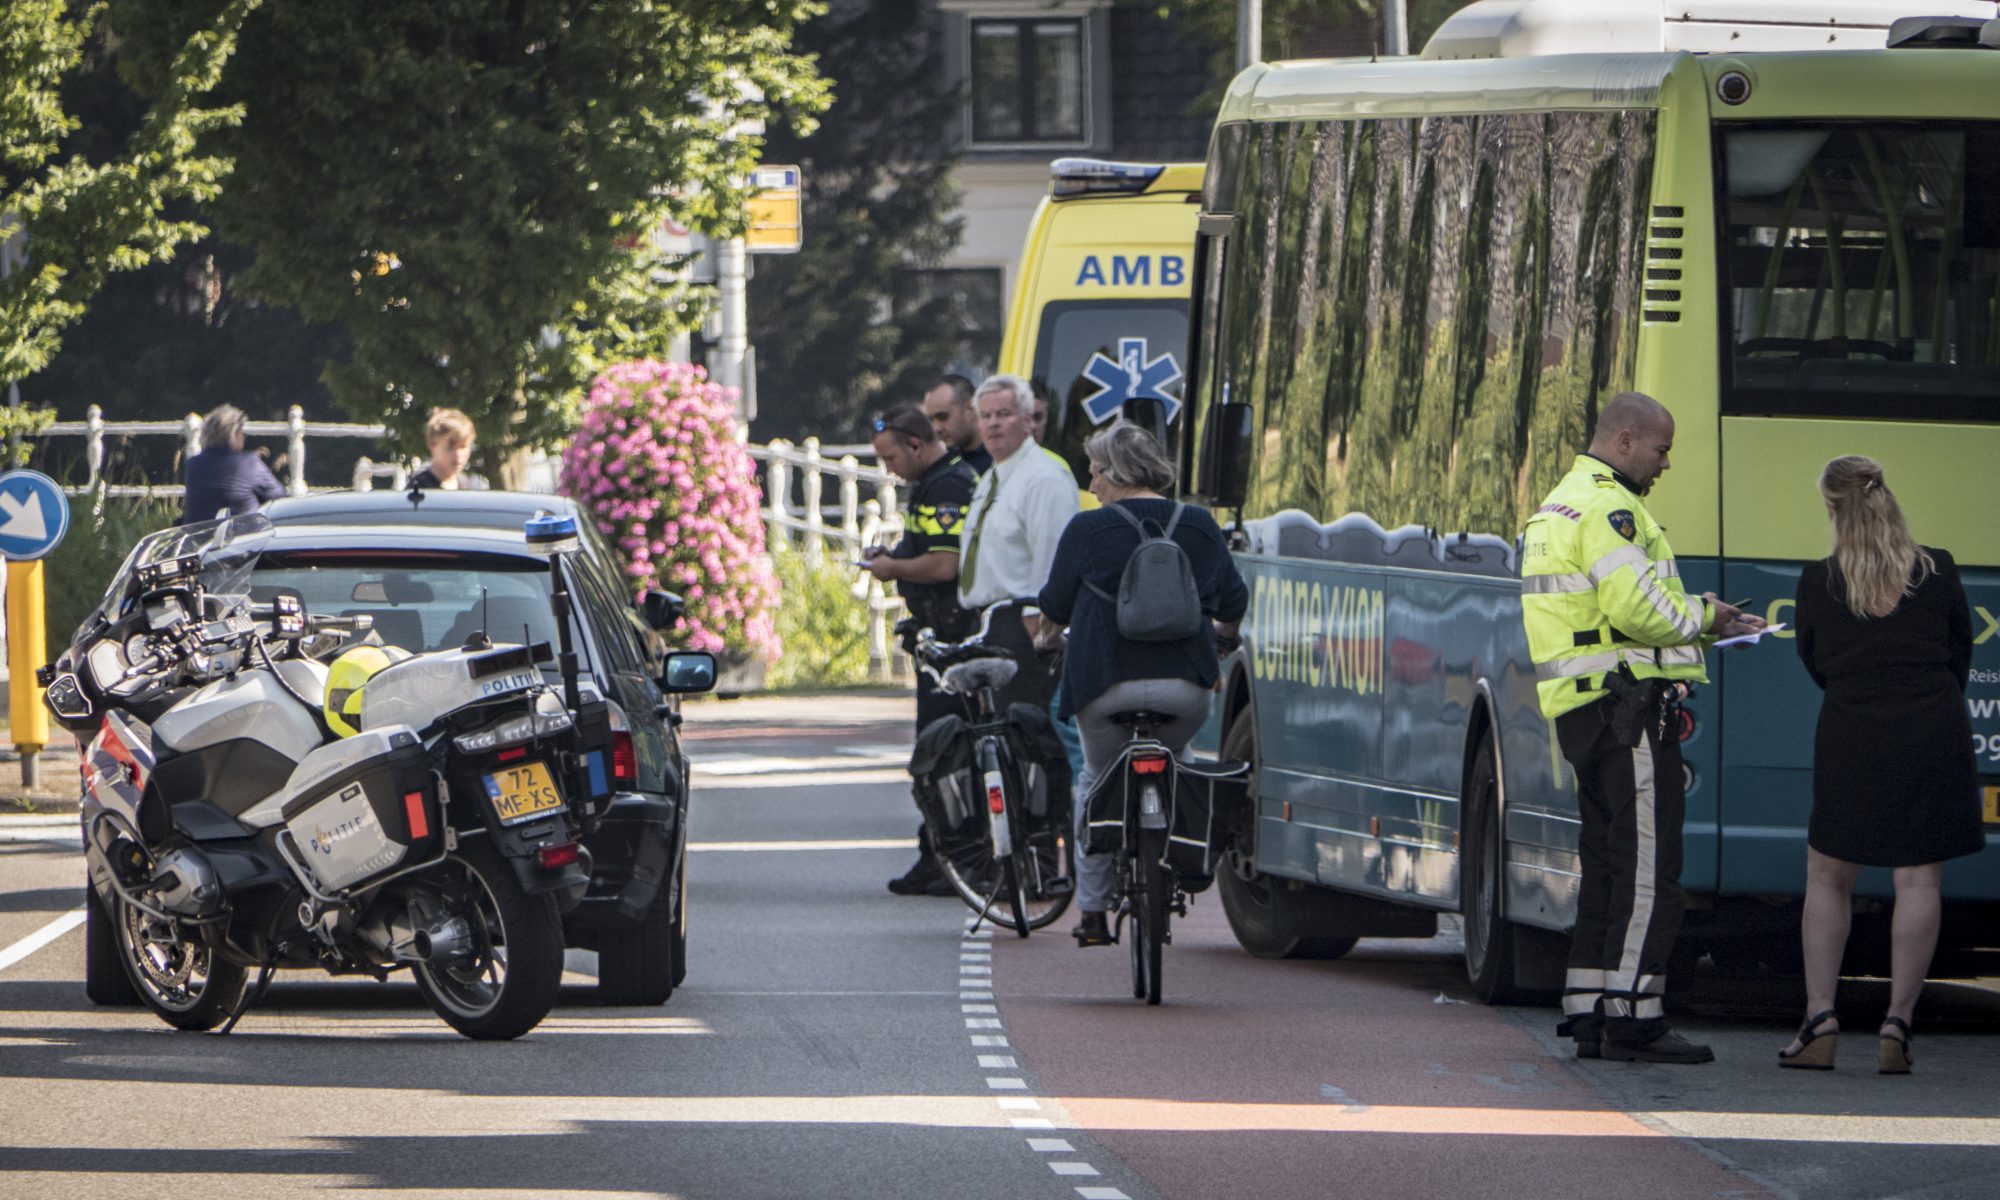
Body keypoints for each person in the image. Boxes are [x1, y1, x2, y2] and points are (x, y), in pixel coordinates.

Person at [1521, 391, 1761, 1064]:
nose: (1664, 465)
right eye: (1661, 450)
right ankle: (1633, 1014)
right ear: (1624, 441)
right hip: (1626, 712)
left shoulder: (1562, 501)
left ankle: (1593, 1007)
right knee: (1650, 868)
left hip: (1583, 709)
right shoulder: (1612, 508)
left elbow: (1607, 614)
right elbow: (1637, 609)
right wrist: (1709, 617)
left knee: (1606, 861)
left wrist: (1700, 620)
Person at [1777, 456, 1982, 1074]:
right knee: (1918, 881)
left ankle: (1820, 1020)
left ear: (1833, 510)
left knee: (1828, 878)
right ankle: (1898, 1024)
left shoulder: (1819, 581)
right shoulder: (1937, 569)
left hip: (1852, 734)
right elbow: (1959, 652)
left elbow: (1816, 662)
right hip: (1932, 730)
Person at [1036, 423, 1247, 947]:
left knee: (1095, 778)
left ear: (1117, 473)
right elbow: (1233, 602)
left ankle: (1091, 912)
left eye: (1095, 472)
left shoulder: (1086, 530)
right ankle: (1188, 855)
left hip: (1104, 687)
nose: (1092, 484)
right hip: (1185, 687)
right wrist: (1222, 639)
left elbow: (1054, 605)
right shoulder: (1198, 525)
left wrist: (1046, 639)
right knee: (1183, 762)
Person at [862, 407, 979, 896]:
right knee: (940, 749)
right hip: (941, 635)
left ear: (915, 444)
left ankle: (951, 857)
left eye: (892, 457)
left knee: (941, 750)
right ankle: (941, 853)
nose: (889, 469)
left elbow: (945, 565)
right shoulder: (933, 483)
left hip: (950, 638)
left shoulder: (948, 486)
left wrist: (893, 569)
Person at [956, 375, 1078, 695]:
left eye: (1004, 414)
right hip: (988, 623)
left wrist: (1037, 623)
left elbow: (1052, 555)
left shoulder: (1044, 477)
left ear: (1027, 420)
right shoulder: (993, 477)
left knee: (1027, 732)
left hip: (1024, 625)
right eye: (986, 416)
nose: (993, 424)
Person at [182, 404, 287, 525]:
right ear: (235, 434)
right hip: (241, 538)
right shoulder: (249, 462)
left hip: (199, 539)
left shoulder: (193, 465)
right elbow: (279, 496)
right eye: (241, 432)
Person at [922, 374, 990, 475]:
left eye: (942, 417)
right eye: (931, 420)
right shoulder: (943, 465)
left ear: (971, 409)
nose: (936, 428)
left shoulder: (1000, 455)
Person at [408, 408, 485, 490]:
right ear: (432, 445)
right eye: (450, 447)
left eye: (463, 447)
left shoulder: (465, 485)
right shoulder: (418, 488)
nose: (458, 455)